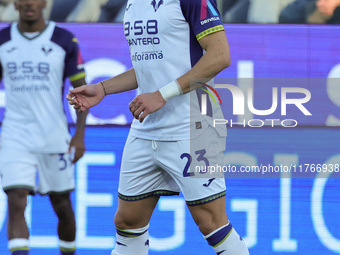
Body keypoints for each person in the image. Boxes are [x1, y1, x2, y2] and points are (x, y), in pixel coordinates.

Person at [68, 0, 249, 254]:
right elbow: (149, 66)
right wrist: (103, 88)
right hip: (147, 127)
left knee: (211, 223)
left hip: (193, 124)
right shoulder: (132, 3)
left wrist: (163, 94)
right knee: (127, 221)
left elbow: (220, 56)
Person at [0, 0, 88, 254]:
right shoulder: (3, 40)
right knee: (16, 200)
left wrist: (79, 136)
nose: (29, 3)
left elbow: (82, 92)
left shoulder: (64, 40)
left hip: (54, 135)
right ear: (16, 4)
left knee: (61, 204)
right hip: (15, 135)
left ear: (44, 3)